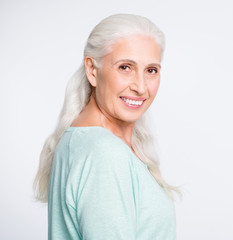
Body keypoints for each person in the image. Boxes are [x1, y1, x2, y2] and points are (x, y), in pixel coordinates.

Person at [33, 13, 180, 240]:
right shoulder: (104, 153)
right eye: (125, 67)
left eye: (151, 70)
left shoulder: (85, 140)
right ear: (92, 70)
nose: (141, 87)